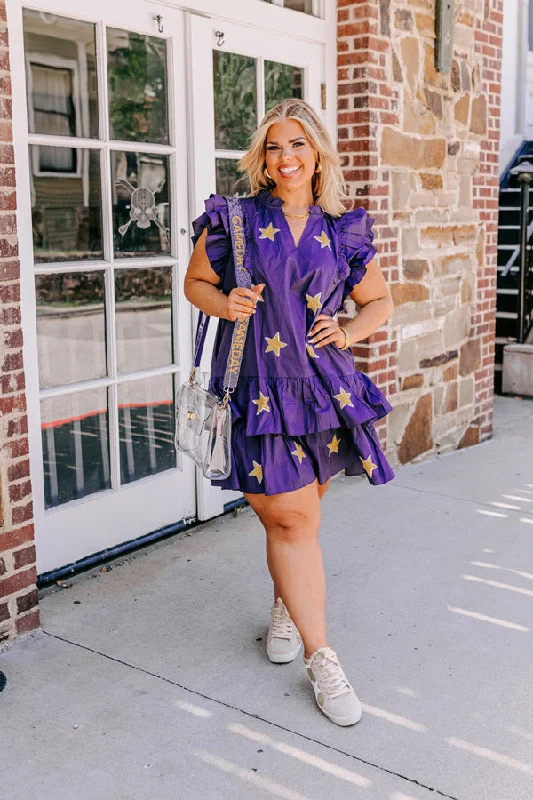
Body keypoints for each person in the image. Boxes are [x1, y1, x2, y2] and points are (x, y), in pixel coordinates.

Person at [184, 98, 394, 727]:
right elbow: (195, 283)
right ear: (263, 158)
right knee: (293, 521)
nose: (286, 157)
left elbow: (379, 299)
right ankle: (322, 656)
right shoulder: (236, 218)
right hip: (259, 386)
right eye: (274, 147)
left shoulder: (343, 227)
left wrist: (348, 331)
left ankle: (286, 603)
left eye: (298, 144)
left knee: (304, 512)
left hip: (324, 388)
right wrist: (227, 304)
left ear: (319, 152)